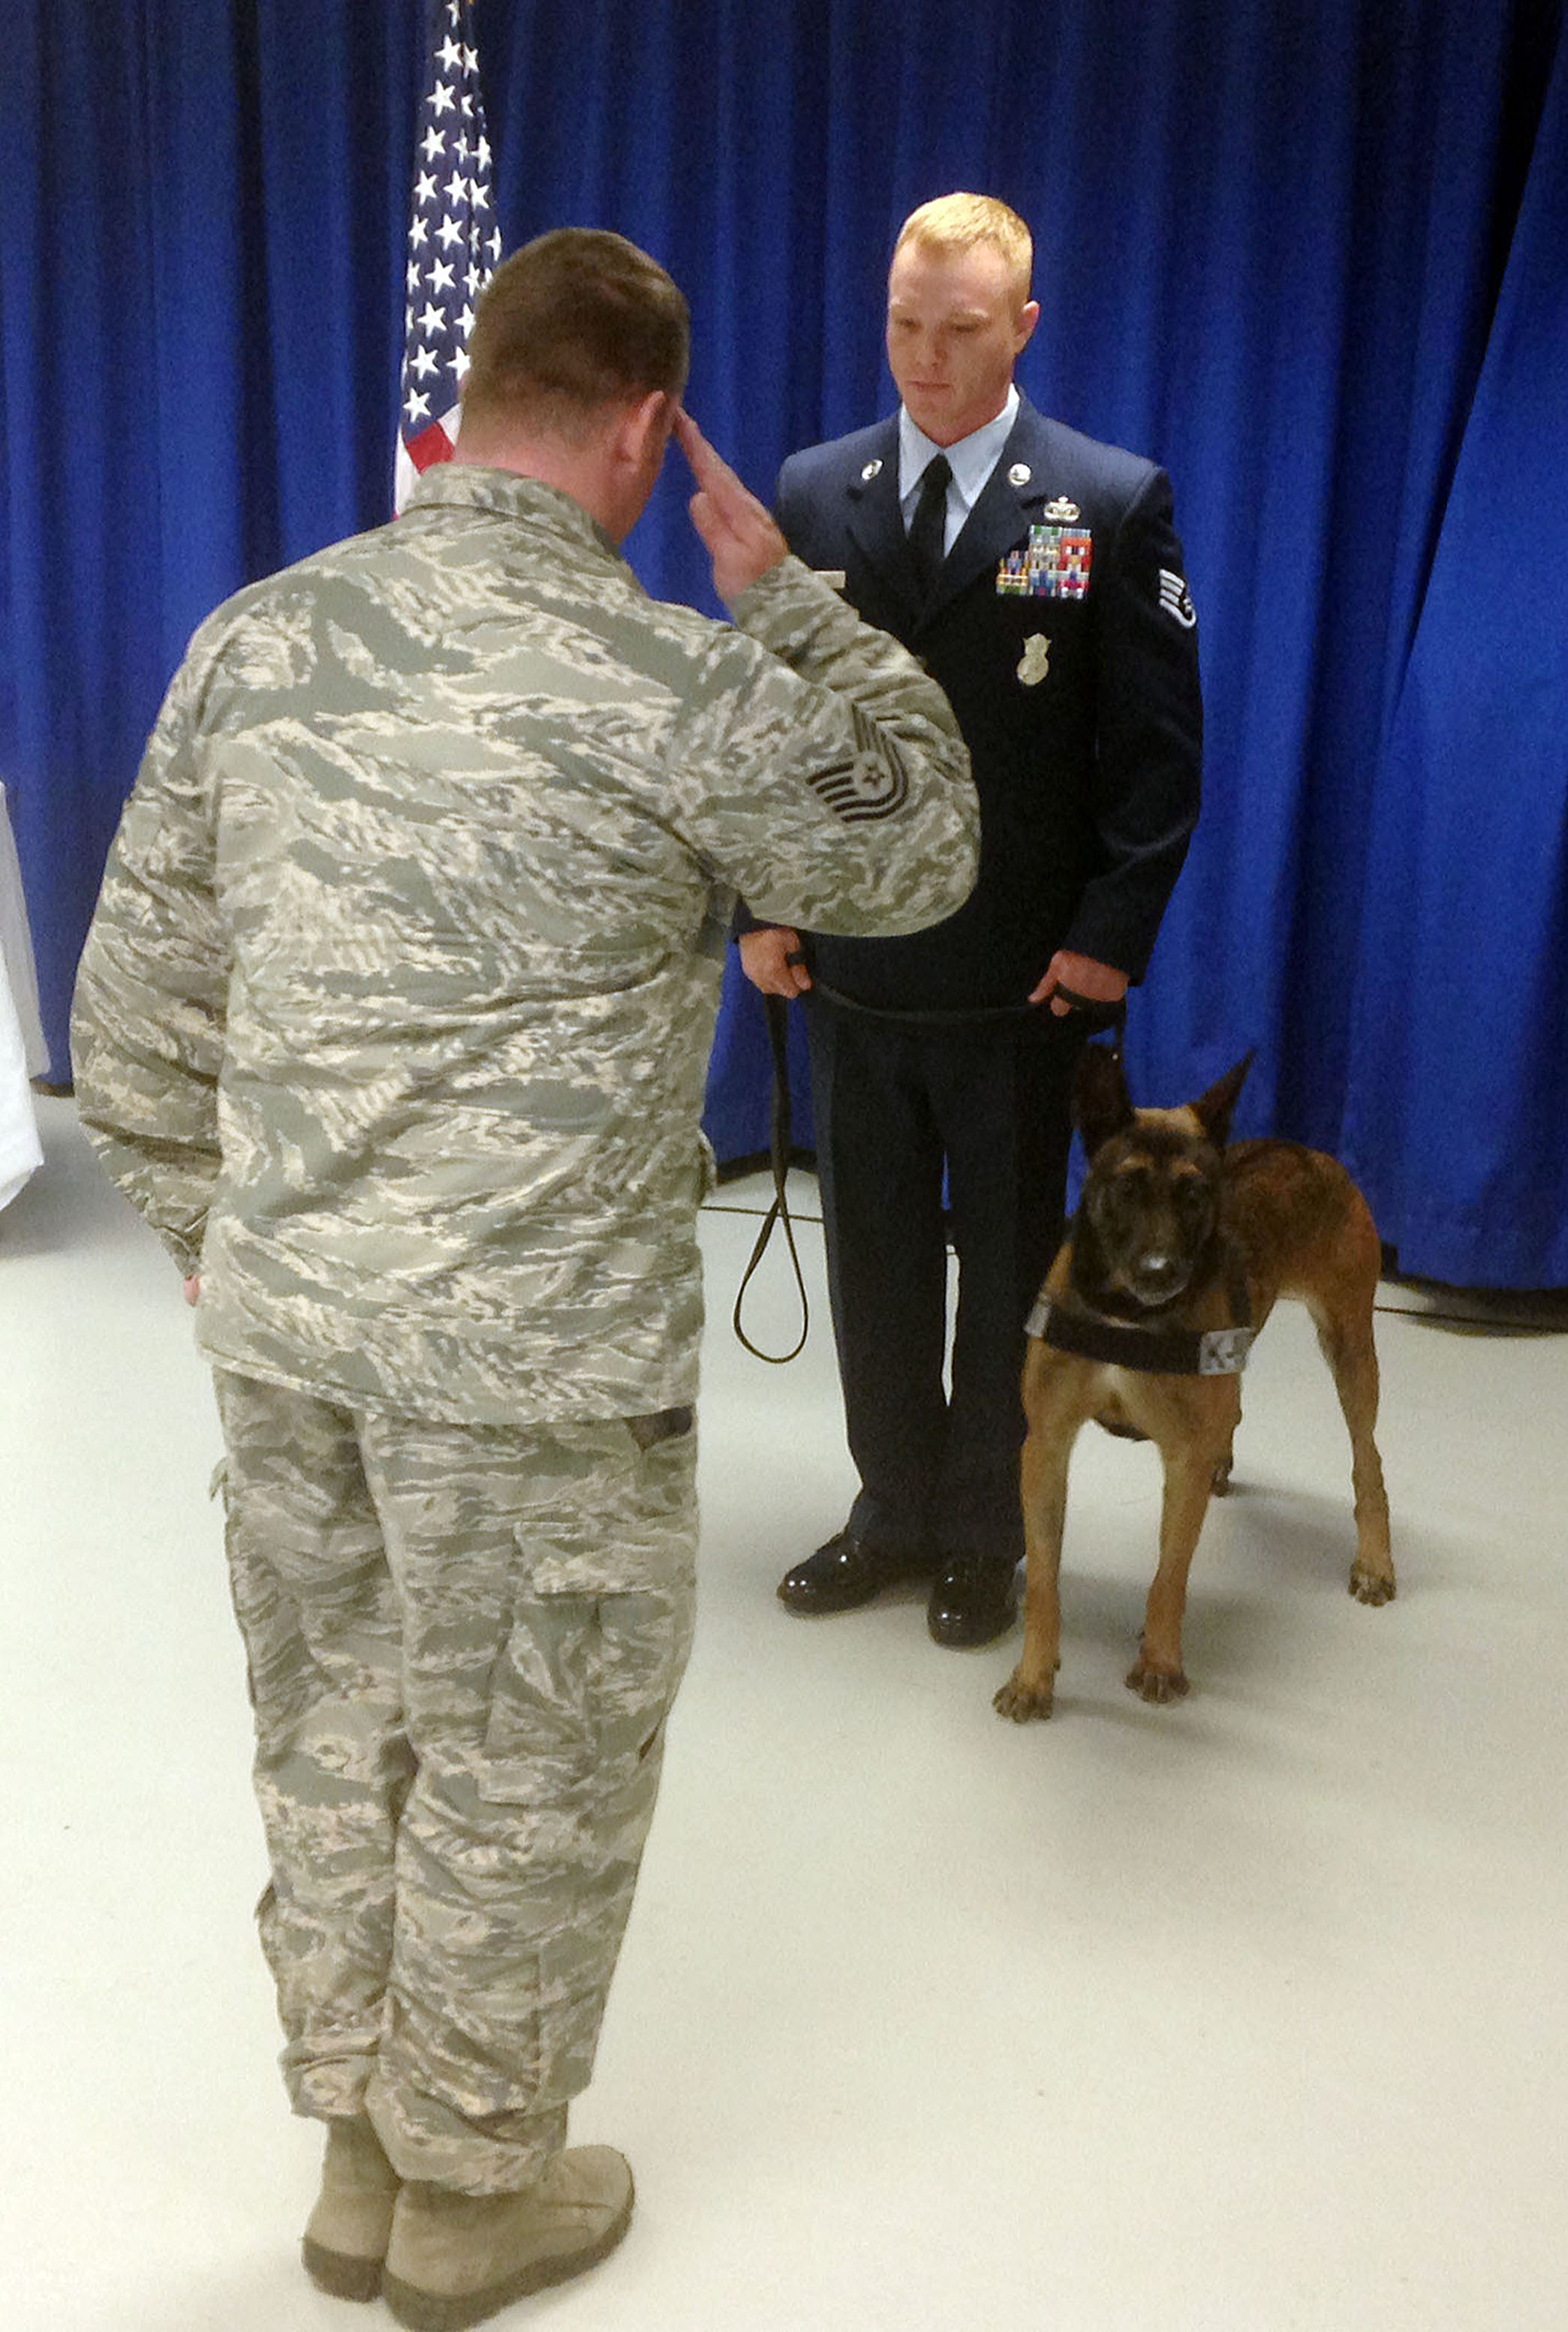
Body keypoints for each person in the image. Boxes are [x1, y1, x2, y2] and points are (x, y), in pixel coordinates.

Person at [71, 227, 977, 2332]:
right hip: (538, 1370)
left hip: (292, 1343)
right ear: (651, 427)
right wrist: (792, 596)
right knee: (520, 1760)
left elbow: (128, 1031)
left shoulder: (255, 641)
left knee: (341, 1725)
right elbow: (922, 839)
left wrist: (229, 1243)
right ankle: (475, 2195)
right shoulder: (681, 677)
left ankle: (356, 2163)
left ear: (469, 390)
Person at [740, 193, 1202, 1650]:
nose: (923, 359)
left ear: (1021, 326)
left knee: (1004, 1262)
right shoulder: (817, 492)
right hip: (861, 974)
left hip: (1024, 982)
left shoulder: (1103, 501)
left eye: (956, 330)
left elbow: (1155, 753)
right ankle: (891, 1507)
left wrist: (1109, 932)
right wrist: (763, 894)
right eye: (901, 325)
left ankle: (984, 1524)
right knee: (871, 1251)